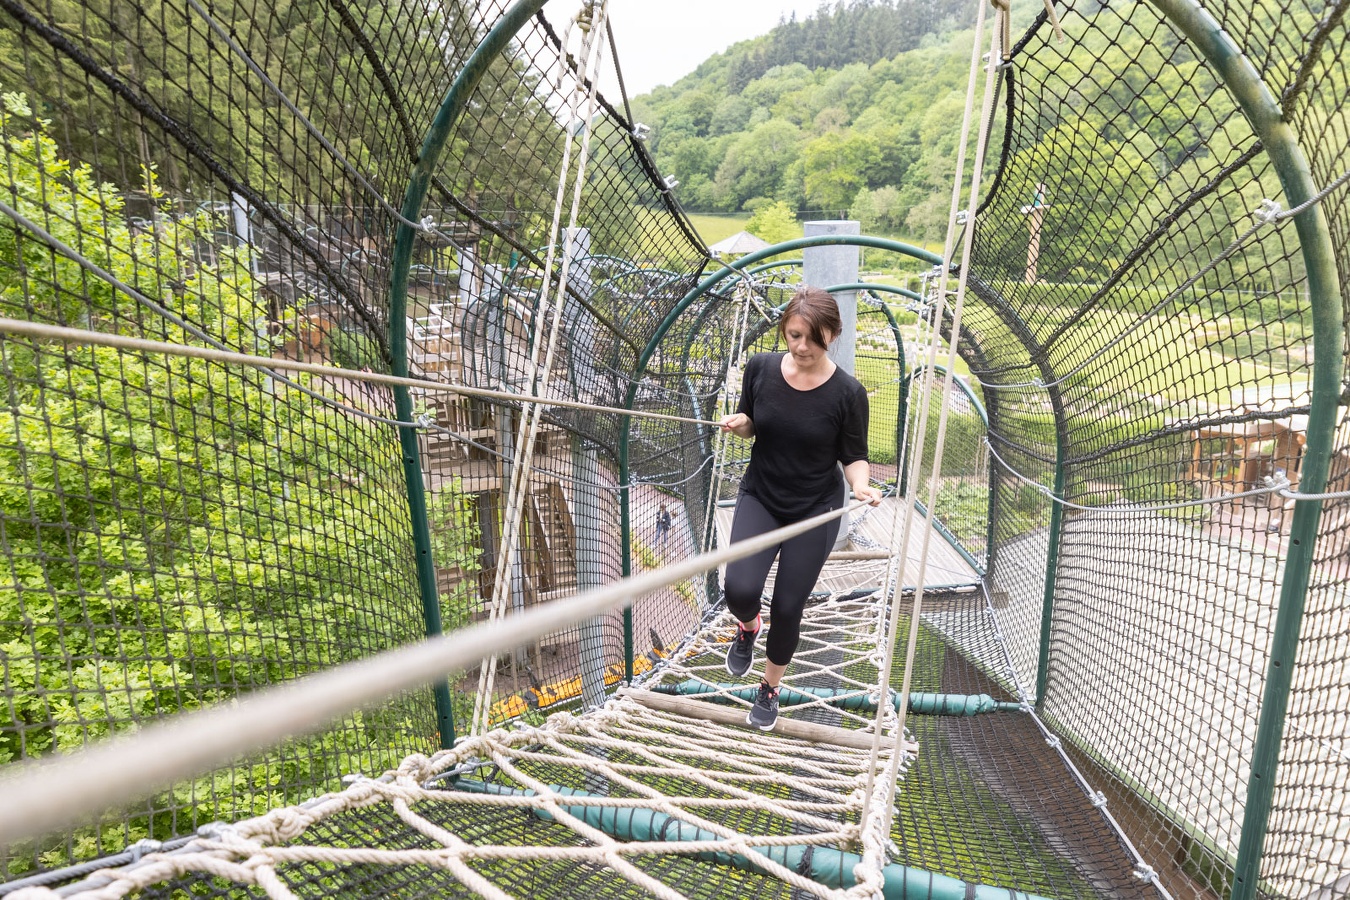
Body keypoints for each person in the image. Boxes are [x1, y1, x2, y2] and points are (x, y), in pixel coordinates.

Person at [720, 285, 882, 730]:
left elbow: (854, 456)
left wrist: (861, 486)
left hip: (815, 506)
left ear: (833, 334)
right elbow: (753, 423)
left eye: (814, 337)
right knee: (738, 590)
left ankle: (769, 687)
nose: (802, 346)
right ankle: (748, 628)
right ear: (784, 331)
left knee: (788, 606)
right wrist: (742, 423)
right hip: (763, 495)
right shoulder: (760, 367)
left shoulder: (848, 393)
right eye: (794, 335)